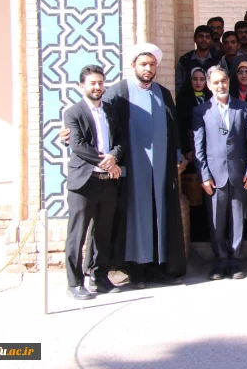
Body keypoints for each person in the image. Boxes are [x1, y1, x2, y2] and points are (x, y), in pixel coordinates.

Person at [103, 44, 185, 287]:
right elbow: (99, 122)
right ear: (133, 66)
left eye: (151, 65)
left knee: (160, 215)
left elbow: (173, 127)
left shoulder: (163, 93)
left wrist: (178, 153)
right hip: (132, 169)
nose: (148, 69)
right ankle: (136, 269)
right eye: (143, 64)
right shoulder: (118, 93)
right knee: (136, 218)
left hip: (160, 169)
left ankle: (157, 267)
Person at [63, 65, 126, 300]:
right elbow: (78, 146)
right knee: (77, 234)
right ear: (82, 86)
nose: (98, 87)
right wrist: (107, 162)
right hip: (84, 182)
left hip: (108, 182)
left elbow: (121, 139)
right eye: (92, 83)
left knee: (102, 233)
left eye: (100, 82)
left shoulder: (110, 110)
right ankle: (74, 282)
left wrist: (115, 156)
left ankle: (99, 277)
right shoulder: (73, 113)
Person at [192, 65, 247, 280]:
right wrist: (204, 175)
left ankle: (236, 260)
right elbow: (198, 147)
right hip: (214, 175)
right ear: (209, 86)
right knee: (216, 220)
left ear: (229, 82)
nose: (221, 85)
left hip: (239, 173)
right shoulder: (201, 111)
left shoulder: (243, 108)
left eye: (224, 81)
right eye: (216, 82)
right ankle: (220, 260)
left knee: (238, 219)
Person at [174, 25, 221, 93]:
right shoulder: (185, 60)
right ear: (194, 39)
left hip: (213, 101)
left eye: (207, 37)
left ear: (211, 41)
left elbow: (223, 83)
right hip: (189, 102)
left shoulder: (218, 59)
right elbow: (178, 86)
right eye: (201, 36)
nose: (204, 40)